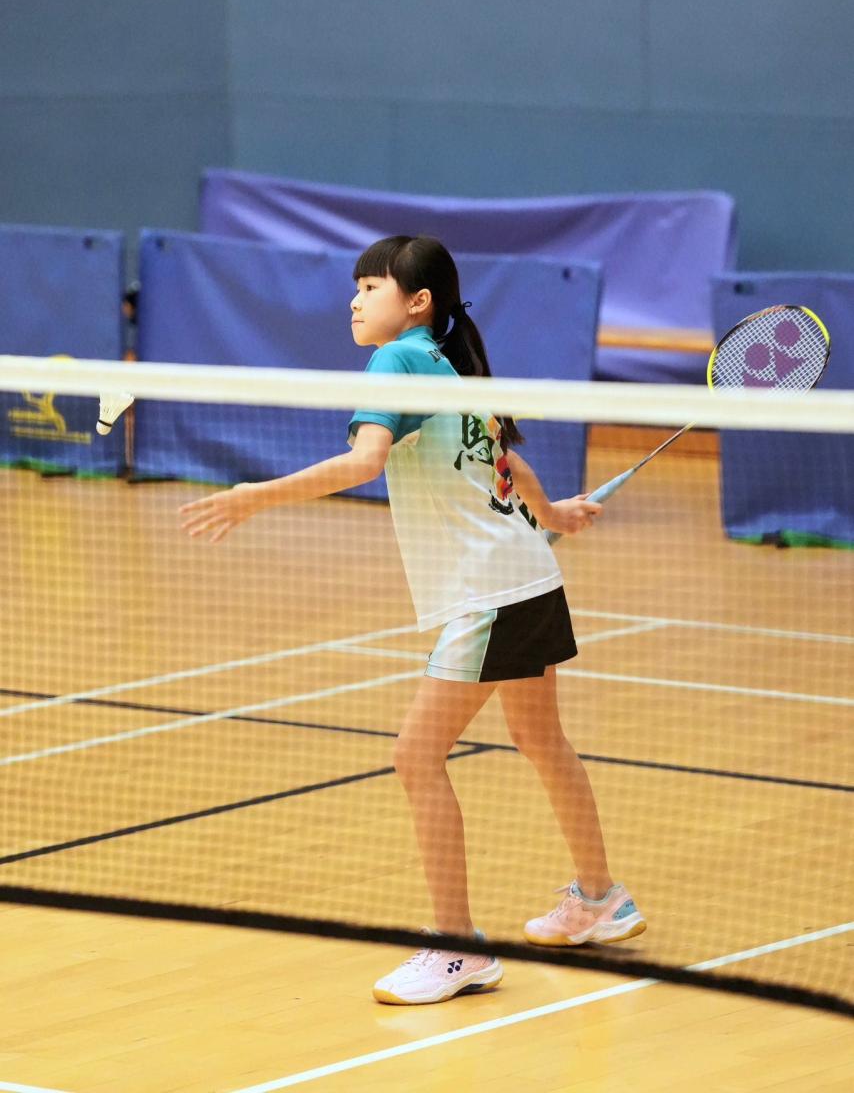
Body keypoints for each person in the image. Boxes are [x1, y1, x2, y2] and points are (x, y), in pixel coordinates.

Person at [180, 234, 645, 1005]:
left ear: (417, 301)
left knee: (415, 756)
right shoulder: (448, 366)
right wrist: (552, 515)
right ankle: (600, 898)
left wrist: (253, 496)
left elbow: (365, 462)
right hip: (528, 578)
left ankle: (458, 948)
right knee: (540, 740)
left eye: (371, 287)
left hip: (491, 593)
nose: (355, 301)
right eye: (356, 287)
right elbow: (505, 457)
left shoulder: (398, 360)